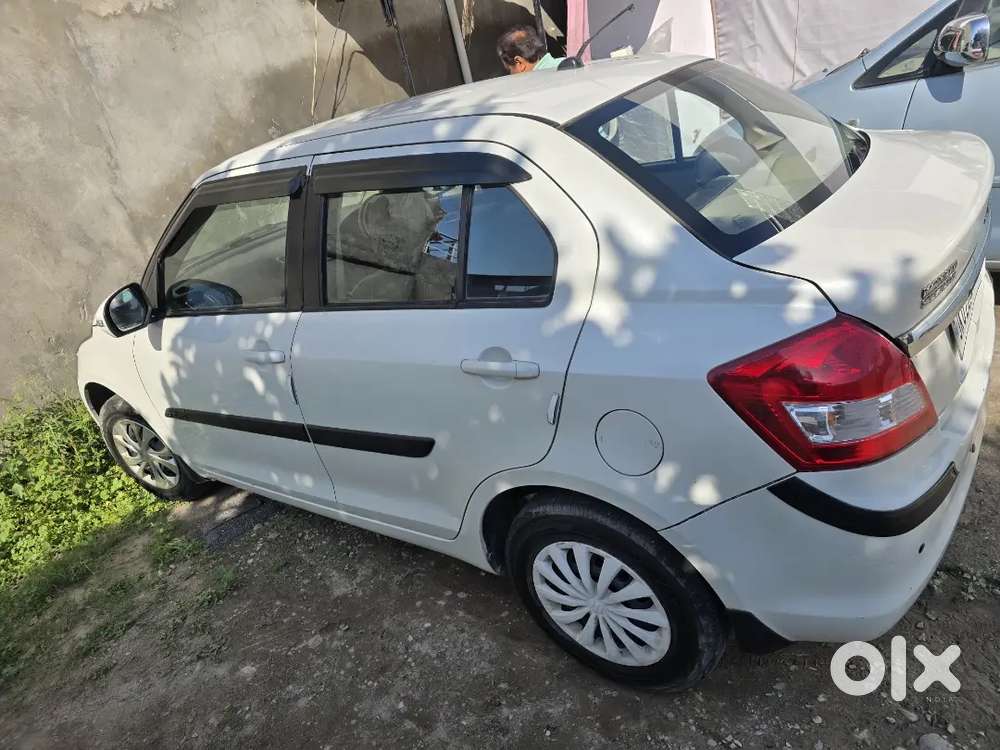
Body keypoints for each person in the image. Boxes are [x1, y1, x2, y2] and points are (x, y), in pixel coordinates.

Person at [496, 24, 564, 74]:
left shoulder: (535, 86)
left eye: (509, 70)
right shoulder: (569, 64)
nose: (510, 75)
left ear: (519, 62)